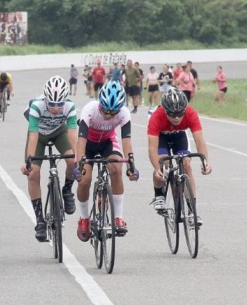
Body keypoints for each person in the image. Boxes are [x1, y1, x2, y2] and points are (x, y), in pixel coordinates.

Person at [74, 81, 139, 242]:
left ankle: (118, 217)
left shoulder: (124, 113)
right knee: (85, 180)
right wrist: (79, 165)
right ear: (100, 103)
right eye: (105, 110)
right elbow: (81, 141)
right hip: (88, 145)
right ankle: (84, 218)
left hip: (108, 143)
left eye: (113, 112)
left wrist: (131, 164)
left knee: (116, 169)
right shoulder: (89, 110)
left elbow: (126, 142)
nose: (109, 115)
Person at [20, 76, 79, 242]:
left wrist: (76, 161)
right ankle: (40, 220)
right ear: (45, 98)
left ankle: (67, 190)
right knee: (33, 173)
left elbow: (73, 134)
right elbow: (32, 135)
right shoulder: (36, 106)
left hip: (60, 132)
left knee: (70, 160)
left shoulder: (70, 106)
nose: (55, 108)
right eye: (51, 104)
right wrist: (29, 161)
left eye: (59, 104)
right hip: (39, 135)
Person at [149, 89, 212, 218]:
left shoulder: (190, 114)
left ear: (185, 110)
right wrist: (157, 168)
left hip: (179, 137)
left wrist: (205, 162)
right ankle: (159, 195)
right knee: (163, 163)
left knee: (187, 165)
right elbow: (152, 148)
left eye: (180, 114)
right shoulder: (156, 116)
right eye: (172, 114)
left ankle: (192, 210)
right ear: (165, 111)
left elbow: (200, 141)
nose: (177, 117)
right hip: (162, 138)